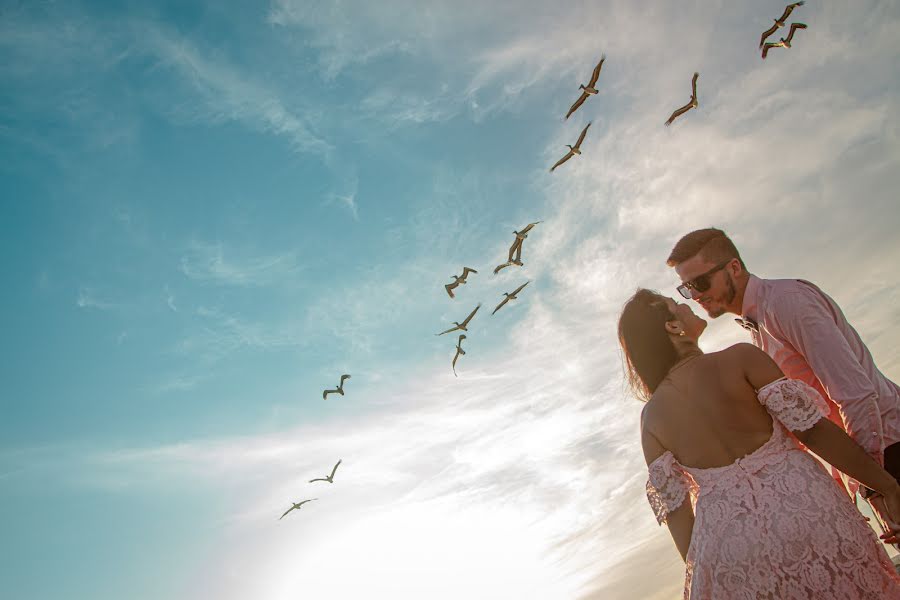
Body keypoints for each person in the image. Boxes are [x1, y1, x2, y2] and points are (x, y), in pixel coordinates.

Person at [619, 288, 900, 598]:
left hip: (730, 550)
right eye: (677, 307)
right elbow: (814, 433)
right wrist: (887, 486)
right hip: (805, 511)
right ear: (672, 327)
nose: (687, 308)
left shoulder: (651, 419)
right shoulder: (741, 358)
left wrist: (707, 572)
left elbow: (678, 517)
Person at [667, 228, 900, 516]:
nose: (696, 296)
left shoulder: (786, 302)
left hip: (888, 450)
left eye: (701, 282)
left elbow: (856, 394)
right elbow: (818, 415)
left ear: (734, 267)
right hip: (875, 463)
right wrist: (848, 486)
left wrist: (877, 482)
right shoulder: (759, 325)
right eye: (687, 289)